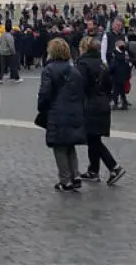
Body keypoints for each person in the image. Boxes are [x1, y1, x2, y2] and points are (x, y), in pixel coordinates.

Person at [37, 38, 86, 191]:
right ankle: (76, 174)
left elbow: (45, 93)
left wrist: (42, 107)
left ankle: (65, 179)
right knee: (70, 145)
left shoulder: (49, 70)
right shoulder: (74, 69)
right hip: (74, 111)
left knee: (59, 146)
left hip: (57, 111)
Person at [75, 37, 124, 186]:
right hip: (102, 103)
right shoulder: (103, 65)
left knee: (94, 140)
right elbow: (109, 86)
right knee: (93, 138)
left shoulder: (82, 64)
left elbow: (80, 86)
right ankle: (93, 170)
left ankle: (114, 167)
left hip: (90, 104)